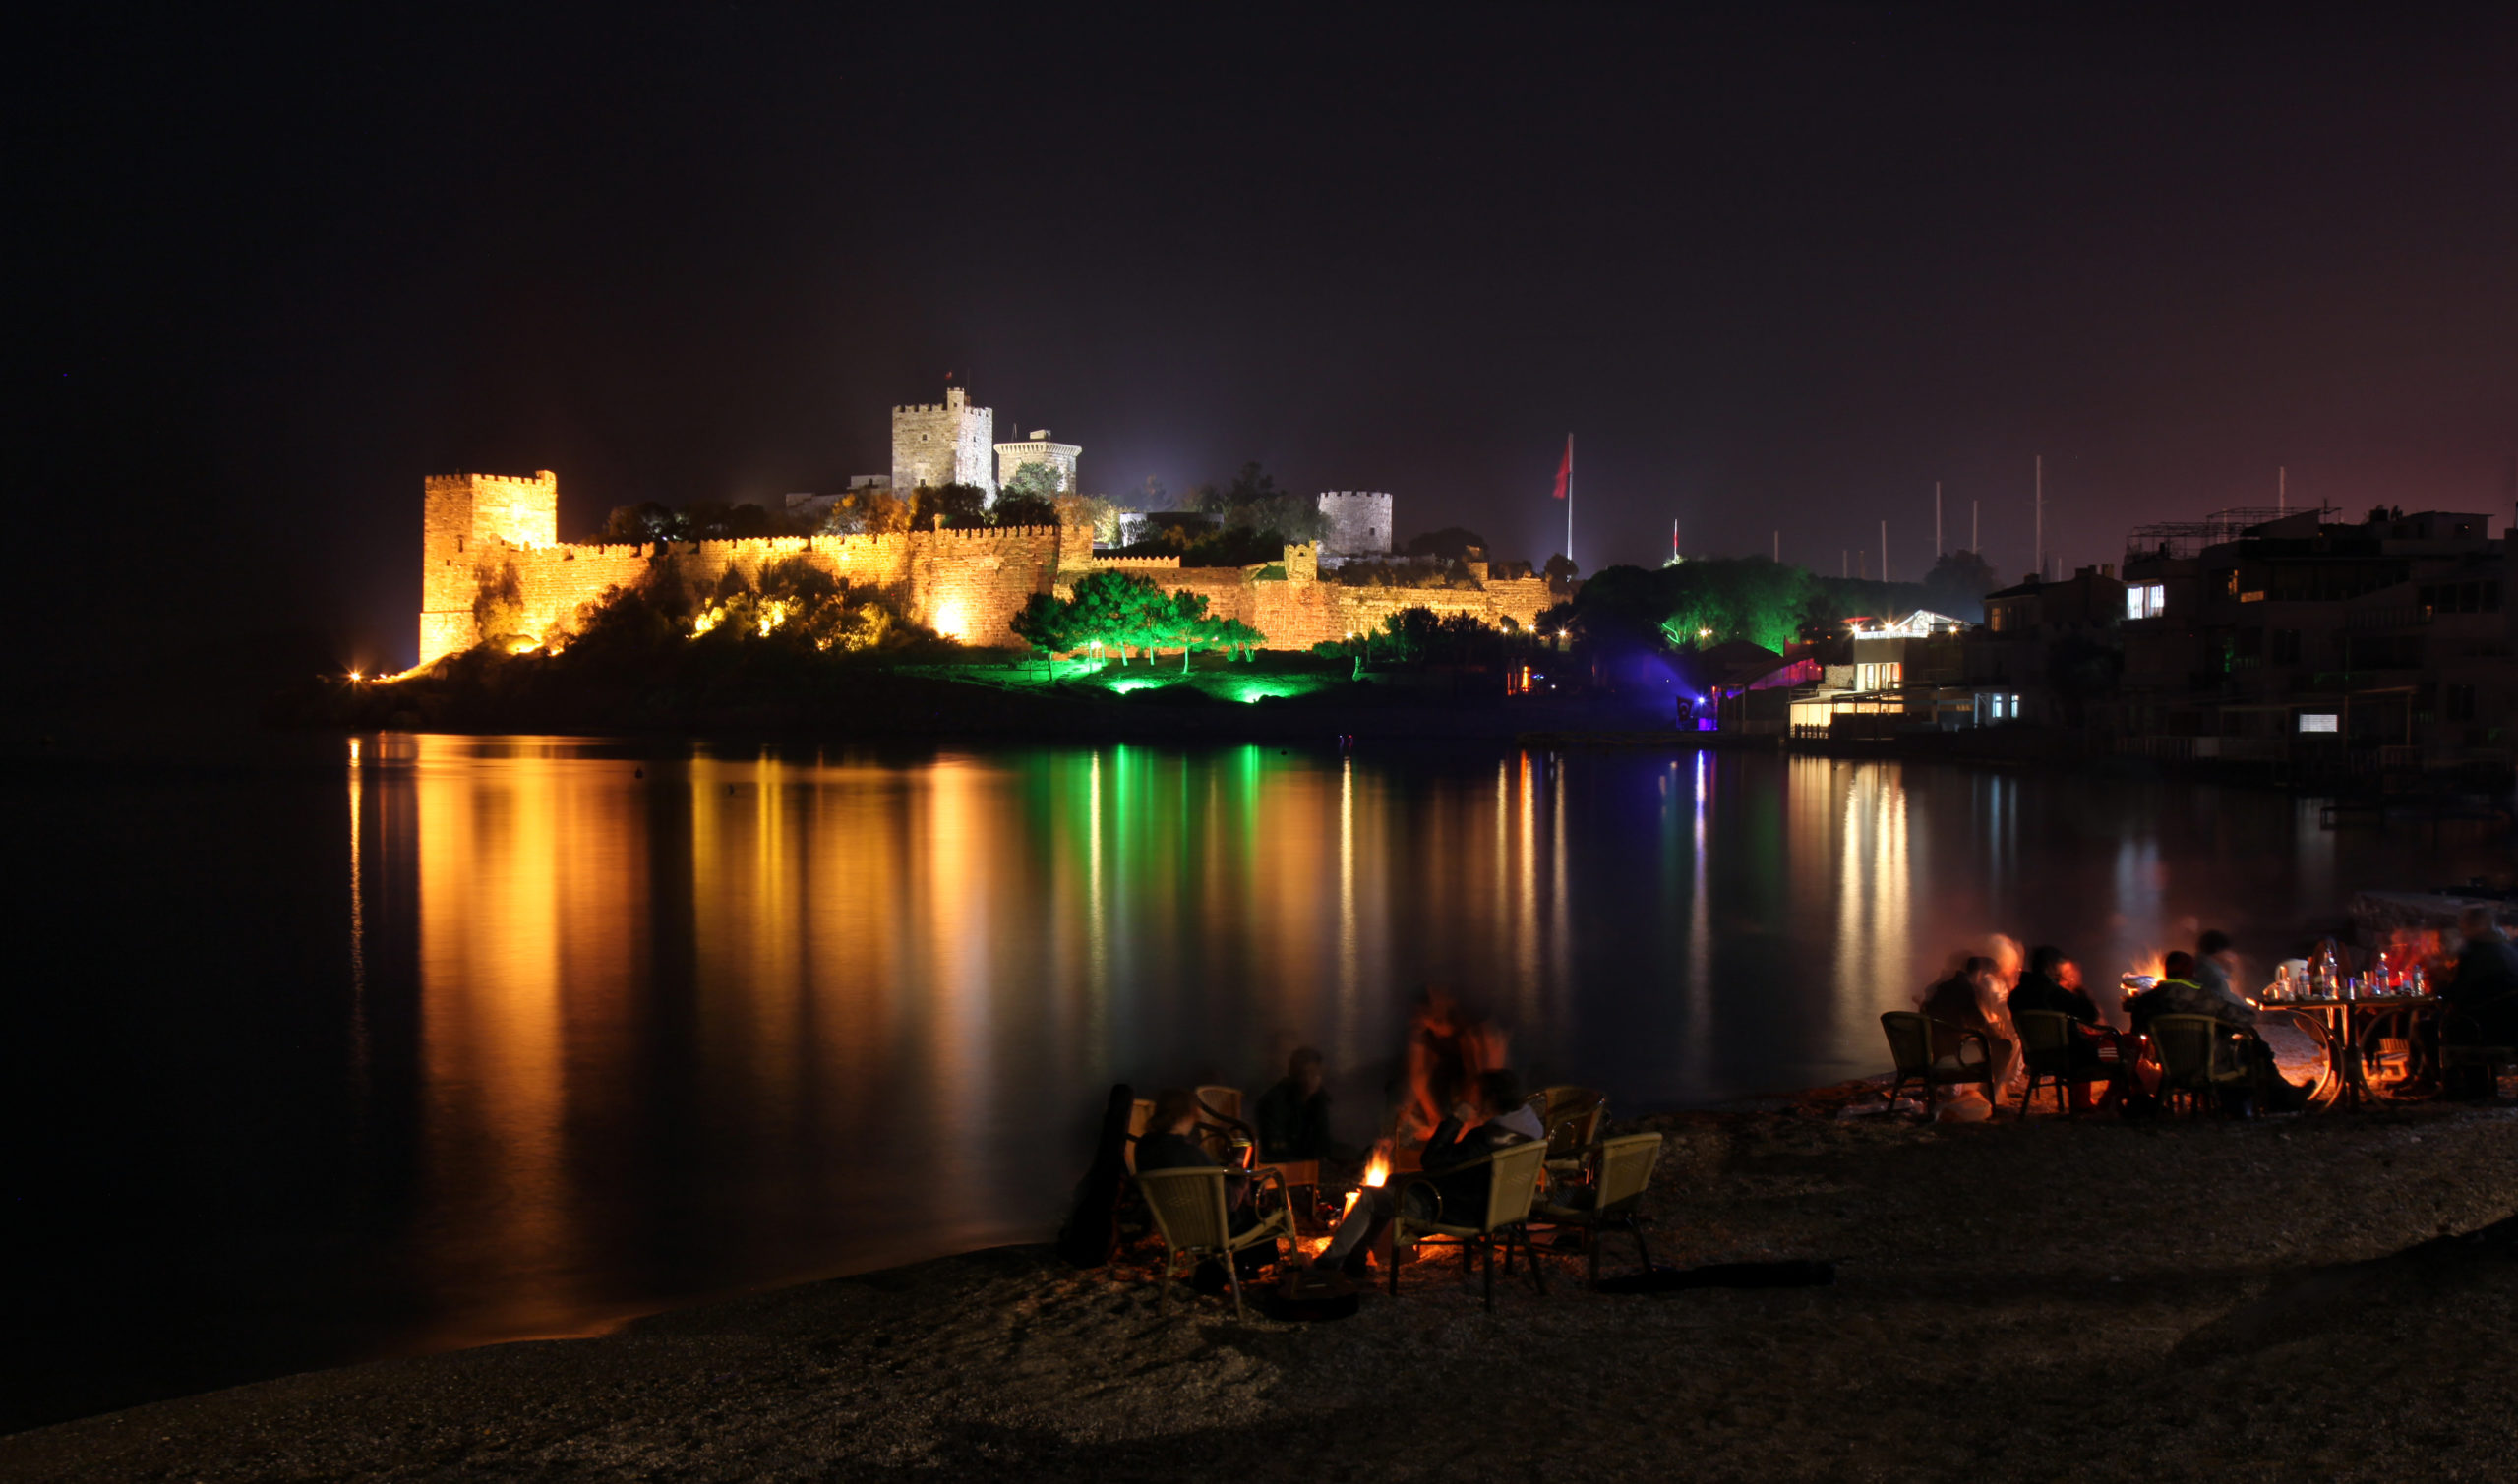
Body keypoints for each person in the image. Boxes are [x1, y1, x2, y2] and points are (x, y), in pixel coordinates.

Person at [1315, 1069, 1536, 1278]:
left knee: (1369, 1198)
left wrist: (1455, 1120)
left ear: (1492, 1099)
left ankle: (1329, 1262)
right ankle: (1356, 1259)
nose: (1474, 1101)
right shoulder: (1528, 1131)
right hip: (1492, 1207)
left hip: (1453, 1208)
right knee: (1392, 1181)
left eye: (1477, 1096)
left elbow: (1431, 1161)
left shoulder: (1487, 1138)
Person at [1136, 1088, 1268, 1284]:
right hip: (1210, 1228)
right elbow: (1229, 1201)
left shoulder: (1144, 1146)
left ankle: (1213, 1272)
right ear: (1188, 1114)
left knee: (1237, 1193)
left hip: (1174, 1226)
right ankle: (1246, 1268)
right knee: (1254, 1198)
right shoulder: (1189, 1152)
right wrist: (1242, 1175)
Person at [2008, 946, 2127, 1113]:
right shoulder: (2053, 992)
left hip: (2037, 1056)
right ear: (2053, 968)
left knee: (2083, 1041)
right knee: (2122, 1049)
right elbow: (2090, 1014)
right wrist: (2078, 988)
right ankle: (2106, 1102)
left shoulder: (2016, 995)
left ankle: (2083, 1102)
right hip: (2071, 1056)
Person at [2440, 907, 2518, 1098]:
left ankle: (2454, 1086)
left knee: (2429, 1027)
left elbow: (2460, 991)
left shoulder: (2475, 951)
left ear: (2477, 926)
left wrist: (2441, 987)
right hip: (2510, 1025)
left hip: (2486, 1027)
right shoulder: (2508, 948)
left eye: (2465, 925)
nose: (2462, 929)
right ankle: (2480, 1086)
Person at [1919, 955, 2017, 1086]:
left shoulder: (1943, 987)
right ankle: (1990, 1088)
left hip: (1937, 1051)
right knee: (2004, 1045)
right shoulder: (1966, 989)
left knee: (1986, 1043)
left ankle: (1968, 1087)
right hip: (1955, 1053)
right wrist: (1997, 1034)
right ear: (1980, 972)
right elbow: (1980, 1022)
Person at [1255, 1047, 1342, 1163]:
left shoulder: (1319, 1101)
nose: (1308, 1079)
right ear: (1293, 1074)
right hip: (1284, 1165)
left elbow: (1324, 1141)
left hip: (1310, 1164)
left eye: (1314, 1074)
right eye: (1303, 1074)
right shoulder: (1274, 1102)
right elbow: (1274, 1147)